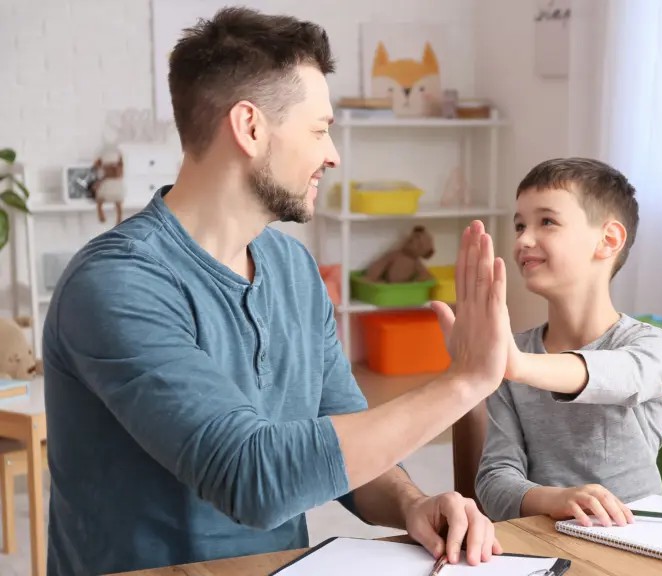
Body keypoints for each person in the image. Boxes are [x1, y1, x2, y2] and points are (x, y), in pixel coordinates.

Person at [42, 8, 510, 575]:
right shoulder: (116, 284)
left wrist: (414, 503)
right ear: (250, 127)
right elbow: (253, 478)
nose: (332, 153)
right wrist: (464, 382)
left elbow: (344, 444)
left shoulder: (292, 267)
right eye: (319, 130)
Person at [472, 158, 662, 526]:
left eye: (546, 222)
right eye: (519, 225)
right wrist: (558, 500)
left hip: (640, 544)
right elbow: (494, 482)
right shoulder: (512, 359)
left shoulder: (650, 346)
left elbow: (621, 378)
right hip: (542, 540)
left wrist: (518, 365)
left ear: (608, 240)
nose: (523, 239)